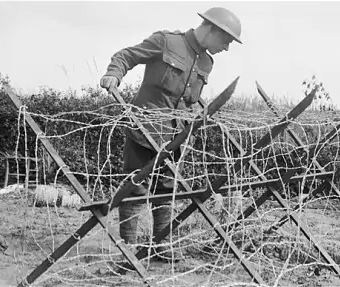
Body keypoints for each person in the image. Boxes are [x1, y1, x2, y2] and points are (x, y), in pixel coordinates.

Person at [100, 7, 242, 263]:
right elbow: (126, 55)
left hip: (174, 138)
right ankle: (128, 251)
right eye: (226, 40)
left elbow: (189, 100)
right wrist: (113, 73)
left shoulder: (206, 62)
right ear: (211, 29)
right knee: (135, 187)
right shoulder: (166, 41)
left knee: (166, 190)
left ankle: (161, 246)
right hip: (144, 130)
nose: (227, 48)